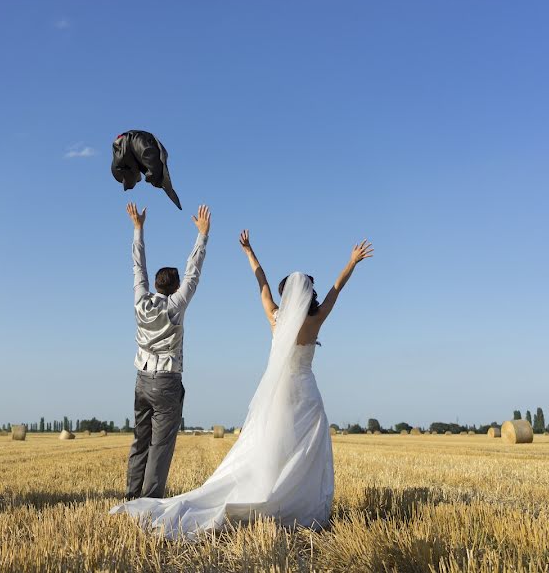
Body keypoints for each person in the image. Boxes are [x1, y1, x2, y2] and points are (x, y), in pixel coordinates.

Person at [111, 229, 373, 540]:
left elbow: (261, 283)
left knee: (269, 446)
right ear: (308, 296)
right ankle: (296, 502)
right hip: (307, 393)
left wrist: (249, 251)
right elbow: (336, 290)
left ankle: (266, 492)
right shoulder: (316, 322)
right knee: (305, 452)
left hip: (277, 394)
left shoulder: (275, 317)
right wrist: (352, 261)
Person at [120, 202, 211, 500]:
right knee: (160, 447)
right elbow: (193, 274)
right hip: (167, 382)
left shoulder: (140, 302)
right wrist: (202, 236)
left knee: (139, 441)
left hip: (141, 380)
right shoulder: (176, 307)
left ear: (156, 285)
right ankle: (149, 503)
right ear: (174, 288)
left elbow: (137, 267)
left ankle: (132, 496)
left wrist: (138, 228)